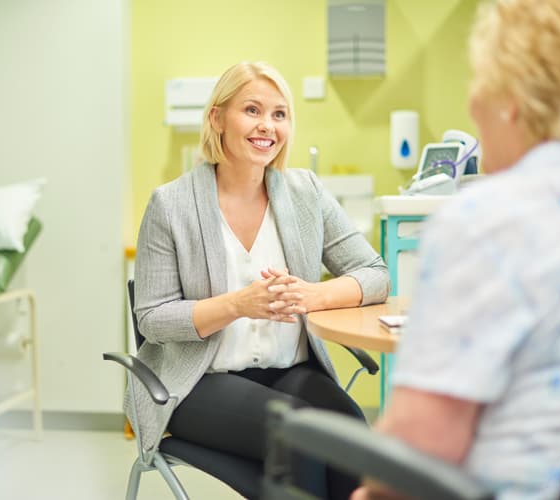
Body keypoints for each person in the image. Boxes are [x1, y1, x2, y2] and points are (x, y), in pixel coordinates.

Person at [352, 0, 560, 499]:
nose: (472, 106)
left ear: (512, 99)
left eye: (478, 83)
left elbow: (417, 451)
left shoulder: (487, 221)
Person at [130, 60, 390, 498]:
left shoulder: (307, 194)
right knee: (297, 435)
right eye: (252, 110)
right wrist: (238, 304)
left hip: (289, 371)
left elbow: (375, 274)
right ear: (217, 118)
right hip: (198, 383)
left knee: (351, 437)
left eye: (279, 114)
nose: (266, 126)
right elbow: (152, 319)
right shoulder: (171, 205)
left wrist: (315, 295)